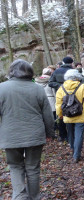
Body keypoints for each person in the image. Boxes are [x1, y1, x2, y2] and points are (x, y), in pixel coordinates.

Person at [0, 59, 55, 199]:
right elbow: (47, 114)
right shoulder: (37, 88)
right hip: (35, 136)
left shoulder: (2, 88)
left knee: (15, 167)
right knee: (33, 169)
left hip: (10, 136)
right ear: (29, 72)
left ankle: (19, 196)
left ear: (12, 72)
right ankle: (34, 197)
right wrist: (50, 133)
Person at [55, 69, 84, 163]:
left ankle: (73, 148)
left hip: (67, 115)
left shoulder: (61, 88)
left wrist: (60, 114)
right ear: (77, 77)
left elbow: (58, 104)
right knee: (79, 135)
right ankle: (76, 155)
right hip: (80, 115)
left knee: (70, 133)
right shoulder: (83, 86)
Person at [49, 56, 74, 142]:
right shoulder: (73, 71)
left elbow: (50, 83)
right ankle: (71, 136)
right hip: (73, 97)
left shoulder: (56, 71)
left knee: (60, 115)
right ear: (71, 63)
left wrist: (60, 87)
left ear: (63, 62)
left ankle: (62, 135)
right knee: (72, 113)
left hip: (60, 97)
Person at [35, 67, 57, 132]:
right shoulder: (51, 81)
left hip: (40, 100)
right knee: (53, 117)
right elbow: (54, 92)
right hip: (51, 100)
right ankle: (53, 130)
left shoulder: (36, 82)